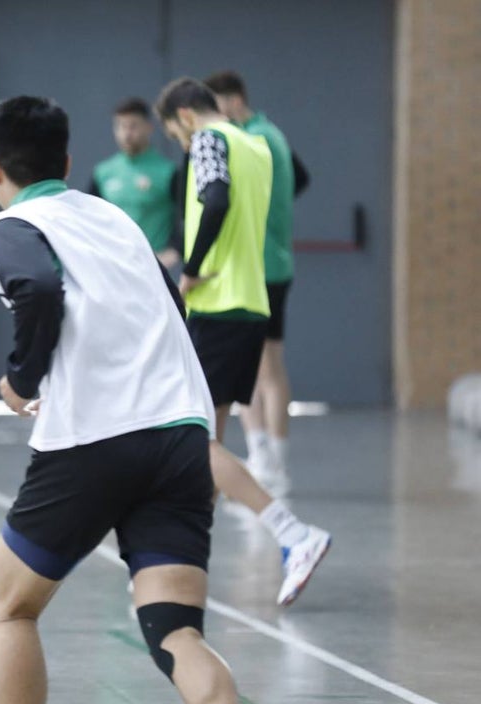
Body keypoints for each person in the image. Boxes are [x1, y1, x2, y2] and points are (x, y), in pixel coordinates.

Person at [0, 94, 246, 704]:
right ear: (68, 161)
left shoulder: (7, 228)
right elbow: (171, 309)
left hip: (93, 441)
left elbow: (38, 288)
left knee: (11, 608)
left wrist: (22, 380)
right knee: (175, 630)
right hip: (181, 436)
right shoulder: (117, 219)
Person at [155, 77, 329, 606]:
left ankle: (293, 533)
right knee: (209, 437)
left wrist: (192, 266)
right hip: (251, 303)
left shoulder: (211, 139)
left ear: (186, 116)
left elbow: (215, 197)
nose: (182, 146)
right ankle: (185, 566)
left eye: (175, 135)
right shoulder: (256, 144)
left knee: (192, 440)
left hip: (218, 302)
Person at [205, 70, 311, 497]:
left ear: (231, 102)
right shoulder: (274, 135)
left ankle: (266, 458)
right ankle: (270, 457)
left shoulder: (250, 141)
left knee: (255, 369)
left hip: (255, 267)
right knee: (270, 365)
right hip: (276, 263)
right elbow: (300, 180)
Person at [88, 97, 182, 274]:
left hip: (154, 268)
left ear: (149, 127)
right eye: (121, 126)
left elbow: (185, 217)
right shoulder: (103, 172)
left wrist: (175, 249)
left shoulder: (167, 172)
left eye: (133, 126)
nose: (126, 133)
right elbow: (90, 219)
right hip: (115, 267)